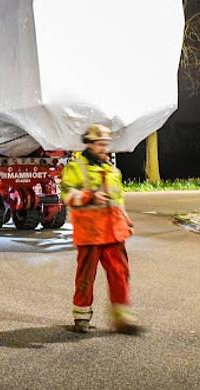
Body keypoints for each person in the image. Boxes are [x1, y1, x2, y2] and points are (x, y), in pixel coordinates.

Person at [60, 124, 141, 335]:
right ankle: (81, 317)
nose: (104, 147)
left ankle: (122, 318)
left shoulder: (113, 171)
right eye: (100, 144)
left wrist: (126, 218)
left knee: (120, 274)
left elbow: (117, 200)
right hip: (90, 233)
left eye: (106, 144)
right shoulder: (75, 168)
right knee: (86, 276)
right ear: (89, 144)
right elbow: (67, 196)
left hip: (114, 233)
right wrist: (89, 196)